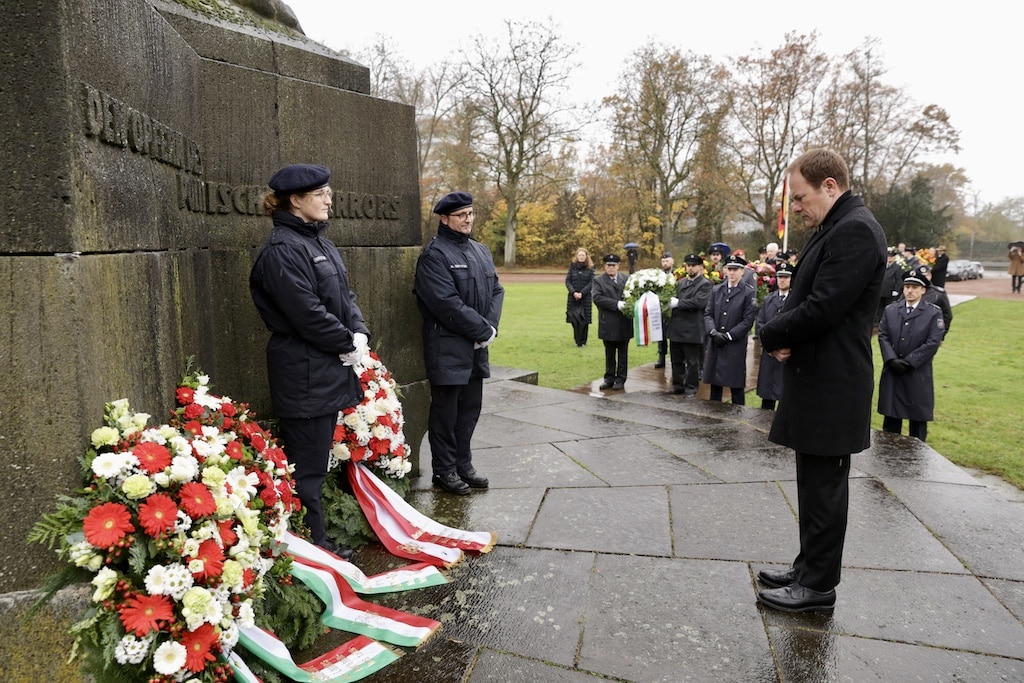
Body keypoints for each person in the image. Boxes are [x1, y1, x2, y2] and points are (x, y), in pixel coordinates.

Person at [756, 148, 887, 613]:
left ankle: (818, 587)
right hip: (820, 378)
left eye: (799, 196)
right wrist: (779, 333)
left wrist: (770, 332)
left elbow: (823, 307)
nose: (795, 207)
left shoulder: (854, 230)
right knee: (813, 484)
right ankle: (807, 565)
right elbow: (805, 295)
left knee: (826, 489)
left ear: (830, 186)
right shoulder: (836, 226)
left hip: (835, 382)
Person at [249, 163, 369, 560]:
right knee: (307, 471)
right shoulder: (283, 249)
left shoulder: (321, 243)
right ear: (295, 201)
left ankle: (316, 544)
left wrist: (360, 333)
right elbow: (306, 312)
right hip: (303, 372)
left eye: (328, 192)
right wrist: (345, 341)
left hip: (324, 368)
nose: (328, 199)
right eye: (319, 194)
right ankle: (313, 552)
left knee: (314, 464)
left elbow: (345, 297)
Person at [414, 191, 504, 495]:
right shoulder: (435, 255)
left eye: (470, 214)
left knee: (470, 409)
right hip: (448, 346)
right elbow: (444, 303)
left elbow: (496, 291)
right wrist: (481, 331)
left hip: (477, 346)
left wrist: (489, 328)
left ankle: (464, 465)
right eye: (461, 215)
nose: (467, 219)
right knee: (446, 412)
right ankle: (444, 469)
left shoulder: (481, 251)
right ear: (444, 218)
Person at [877, 269, 945, 442]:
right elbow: (883, 335)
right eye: (907, 286)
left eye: (915, 287)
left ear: (923, 290)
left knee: (917, 418)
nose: (910, 291)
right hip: (893, 370)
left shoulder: (933, 313)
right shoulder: (891, 310)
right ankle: (889, 450)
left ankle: (918, 453)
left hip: (917, 373)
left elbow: (932, 342)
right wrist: (891, 359)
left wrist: (909, 362)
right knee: (891, 417)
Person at [702, 253, 756, 405]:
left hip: (734, 344)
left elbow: (747, 320)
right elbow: (708, 313)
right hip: (716, 342)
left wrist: (729, 336)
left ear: (742, 271)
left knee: (736, 384)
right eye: (729, 269)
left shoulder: (748, 292)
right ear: (725, 270)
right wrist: (713, 332)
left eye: (736, 269)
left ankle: (739, 416)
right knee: (715, 383)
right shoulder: (716, 290)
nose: (732, 273)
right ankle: (714, 416)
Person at [666, 253, 713, 396]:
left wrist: (678, 303)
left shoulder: (705, 284)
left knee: (693, 362)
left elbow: (699, 302)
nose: (691, 268)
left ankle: (691, 387)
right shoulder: (681, 283)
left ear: (700, 267)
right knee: (676, 359)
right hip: (677, 327)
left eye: (694, 265)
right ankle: (678, 385)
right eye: (688, 265)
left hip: (692, 327)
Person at [754, 262, 792, 410]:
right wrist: (769, 344)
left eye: (786, 277)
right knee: (767, 393)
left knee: (784, 393)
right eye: (780, 277)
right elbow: (760, 322)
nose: (782, 280)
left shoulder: (795, 299)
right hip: (769, 353)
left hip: (786, 353)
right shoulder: (769, 299)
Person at [592, 253, 632, 390]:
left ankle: (620, 379)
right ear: (604, 266)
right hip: (608, 322)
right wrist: (616, 304)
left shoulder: (627, 279)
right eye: (608, 265)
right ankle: (609, 378)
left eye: (613, 265)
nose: (610, 268)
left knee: (622, 353)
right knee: (609, 353)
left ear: (618, 266)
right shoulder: (598, 280)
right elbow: (597, 298)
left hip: (624, 322)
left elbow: (634, 295)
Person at [565, 248, 594, 347]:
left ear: (586, 256)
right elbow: (568, 281)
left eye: (583, 255)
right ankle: (577, 340)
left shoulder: (590, 268)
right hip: (573, 298)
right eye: (580, 255)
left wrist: (582, 293)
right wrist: (573, 292)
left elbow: (592, 282)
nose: (581, 257)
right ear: (577, 256)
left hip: (585, 298)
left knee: (584, 320)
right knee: (574, 319)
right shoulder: (572, 267)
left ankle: (583, 341)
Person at [655, 252, 675, 368]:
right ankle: (661, 357)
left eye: (667, 261)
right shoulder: (657, 275)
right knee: (660, 334)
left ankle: (674, 358)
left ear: (672, 262)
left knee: (673, 335)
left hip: (673, 308)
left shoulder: (678, 274)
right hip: (661, 308)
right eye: (663, 261)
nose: (664, 263)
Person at [877, 247, 904, 324]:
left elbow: (899, 279)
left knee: (889, 307)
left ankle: (889, 322)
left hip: (890, 291)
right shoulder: (884, 265)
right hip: (882, 291)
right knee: (880, 308)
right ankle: (881, 322)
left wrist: (896, 289)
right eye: (888, 256)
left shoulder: (897, 267)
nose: (889, 258)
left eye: (891, 256)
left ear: (894, 257)